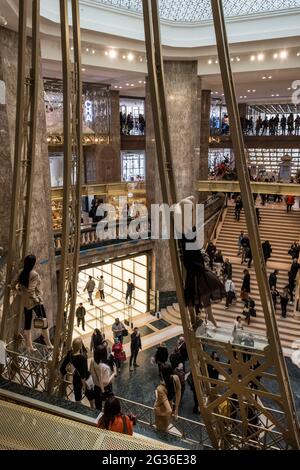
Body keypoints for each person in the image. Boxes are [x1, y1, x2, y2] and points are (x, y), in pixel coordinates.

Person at [11, 254, 53, 352]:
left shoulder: (21, 272)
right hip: (35, 302)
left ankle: (28, 346)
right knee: (44, 322)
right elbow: (31, 290)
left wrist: (20, 293)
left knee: (27, 323)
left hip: (26, 302)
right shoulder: (34, 274)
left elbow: (12, 284)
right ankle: (48, 343)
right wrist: (37, 300)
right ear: (33, 263)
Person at [60, 337, 94, 407]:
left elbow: (62, 368)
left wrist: (66, 374)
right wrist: (84, 386)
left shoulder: (70, 354)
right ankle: (93, 410)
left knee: (77, 398)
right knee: (91, 398)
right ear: (80, 346)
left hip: (76, 378)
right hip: (85, 380)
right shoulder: (82, 358)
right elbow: (83, 374)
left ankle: (78, 409)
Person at [154, 364, 181, 432]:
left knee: (160, 431)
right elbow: (178, 393)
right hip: (170, 406)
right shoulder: (175, 378)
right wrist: (176, 411)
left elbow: (168, 410)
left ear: (162, 374)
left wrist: (158, 413)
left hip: (161, 411)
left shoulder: (160, 388)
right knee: (166, 428)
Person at [90, 345, 116, 411]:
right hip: (106, 389)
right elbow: (106, 381)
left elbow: (90, 371)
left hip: (96, 387)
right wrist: (114, 373)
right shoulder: (105, 367)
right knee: (110, 405)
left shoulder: (92, 361)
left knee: (98, 405)